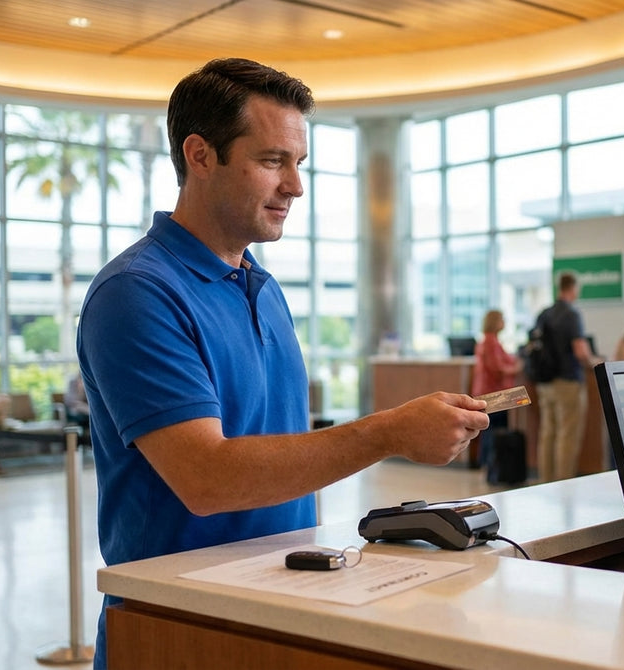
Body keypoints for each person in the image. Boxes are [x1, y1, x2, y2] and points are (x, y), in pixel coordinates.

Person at [76, 58, 489, 669]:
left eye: (299, 164)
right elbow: (207, 478)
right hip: (180, 625)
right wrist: (389, 431)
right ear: (200, 155)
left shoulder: (261, 285)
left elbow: (277, 448)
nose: (295, 185)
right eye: (273, 161)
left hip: (281, 602)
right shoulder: (137, 293)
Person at [531, 271, 595, 482]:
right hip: (567, 381)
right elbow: (580, 350)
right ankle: (563, 482)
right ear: (574, 288)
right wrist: (591, 361)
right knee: (567, 435)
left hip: (544, 382)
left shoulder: (544, 313)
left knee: (548, 433)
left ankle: (546, 481)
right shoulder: (571, 314)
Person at [472, 309, 522, 463]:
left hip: (485, 391)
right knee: (494, 429)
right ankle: (492, 465)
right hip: (494, 393)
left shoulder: (486, 341)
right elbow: (497, 369)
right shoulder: (491, 342)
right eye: (502, 319)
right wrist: (516, 369)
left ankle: (488, 464)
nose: (505, 322)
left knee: (489, 428)